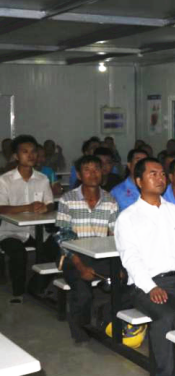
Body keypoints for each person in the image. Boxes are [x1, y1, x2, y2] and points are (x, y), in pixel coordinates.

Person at [115, 157, 175, 376]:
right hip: (145, 284)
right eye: (153, 174)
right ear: (138, 181)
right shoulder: (128, 217)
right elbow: (130, 258)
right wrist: (150, 286)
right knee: (165, 318)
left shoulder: (173, 211)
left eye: (162, 174)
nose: (160, 178)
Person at [56, 154, 119, 343]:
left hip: (100, 256)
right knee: (83, 293)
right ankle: (80, 330)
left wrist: (119, 266)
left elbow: (115, 236)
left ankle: (106, 317)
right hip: (72, 256)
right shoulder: (67, 200)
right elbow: (62, 236)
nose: (93, 174)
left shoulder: (110, 200)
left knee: (126, 282)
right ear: (79, 175)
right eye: (87, 170)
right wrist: (80, 265)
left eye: (96, 169)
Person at [0, 135, 56, 303]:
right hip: (10, 231)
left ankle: (36, 287)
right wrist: (27, 207)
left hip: (36, 231)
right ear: (16, 156)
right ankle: (18, 293)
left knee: (56, 250)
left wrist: (46, 208)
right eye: (25, 152)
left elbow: (50, 203)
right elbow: (1, 208)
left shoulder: (42, 179)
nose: (30, 155)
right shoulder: (5, 180)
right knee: (18, 253)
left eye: (33, 151)